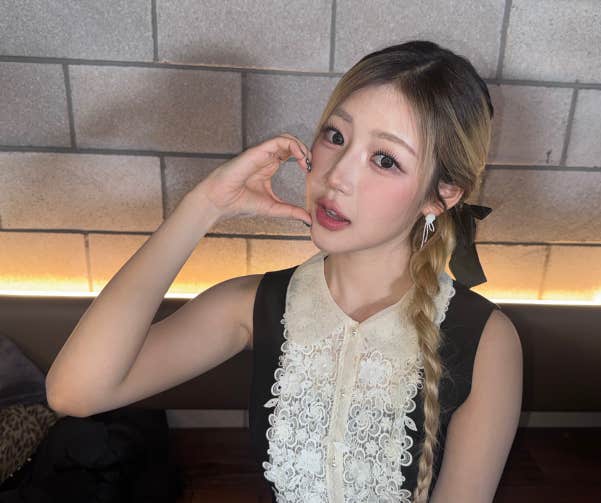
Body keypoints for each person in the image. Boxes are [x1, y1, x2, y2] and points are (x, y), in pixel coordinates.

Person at [45, 39, 523, 502]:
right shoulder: (253, 305)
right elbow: (74, 392)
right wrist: (204, 205)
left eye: (384, 160)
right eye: (336, 136)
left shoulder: (486, 340)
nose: (336, 176)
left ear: (442, 195)